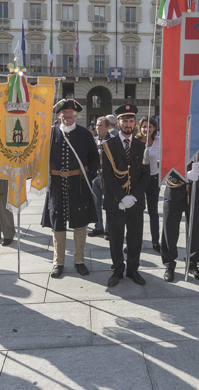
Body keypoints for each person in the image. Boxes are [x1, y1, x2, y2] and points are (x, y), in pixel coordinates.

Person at [41, 99, 99, 278]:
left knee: (80, 224)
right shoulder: (50, 133)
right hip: (56, 184)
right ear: (59, 115)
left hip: (78, 185)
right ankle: (58, 262)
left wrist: (85, 178)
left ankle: (79, 260)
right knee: (58, 225)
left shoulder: (85, 134)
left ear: (75, 115)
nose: (67, 115)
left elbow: (94, 159)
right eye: (64, 112)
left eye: (70, 112)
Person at [100, 103, 149, 287]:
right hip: (115, 202)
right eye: (125, 121)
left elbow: (146, 176)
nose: (128, 125)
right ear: (117, 123)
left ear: (135, 123)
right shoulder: (108, 146)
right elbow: (108, 176)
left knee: (135, 237)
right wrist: (122, 197)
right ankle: (118, 269)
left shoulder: (141, 146)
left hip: (135, 202)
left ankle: (133, 269)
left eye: (131, 121)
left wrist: (133, 197)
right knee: (116, 238)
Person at [160, 148, 199, 283]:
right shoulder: (174, 135)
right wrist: (184, 174)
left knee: (196, 227)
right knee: (169, 229)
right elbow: (166, 161)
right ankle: (169, 264)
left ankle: (192, 263)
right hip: (174, 188)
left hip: (195, 189)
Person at [88, 115, 114, 237]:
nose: (97, 128)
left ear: (108, 127)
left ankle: (109, 230)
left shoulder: (114, 140)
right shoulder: (94, 140)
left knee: (109, 205)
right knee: (96, 204)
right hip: (96, 178)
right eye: (96, 125)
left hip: (109, 178)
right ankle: (98, 227)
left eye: (100, 125)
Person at [138, 116, 161, 252]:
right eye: (144, 126)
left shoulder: (159, 141)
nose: (147, 129)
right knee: (137, 212)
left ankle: (155, 241)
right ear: (140, 128)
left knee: (153, 211)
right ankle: (135, 241)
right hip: (138, 180)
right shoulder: (135, 141)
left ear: (154, 128)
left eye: (150, 126)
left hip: (153, 179)